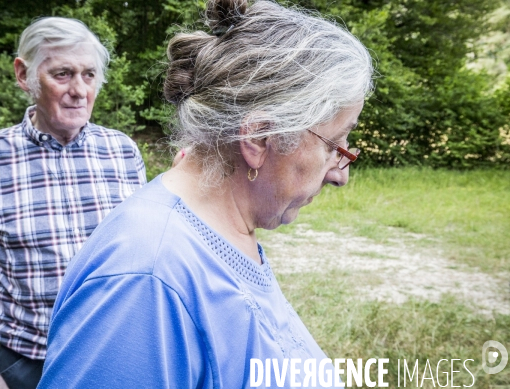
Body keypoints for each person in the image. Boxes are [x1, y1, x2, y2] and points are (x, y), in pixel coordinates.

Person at [38, 0, 373, 387]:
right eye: (334, 144)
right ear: (260, 138)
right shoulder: (147, 279)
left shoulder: (221, 232)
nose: (340, 176)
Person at [0, 17, 147, 389]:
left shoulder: (122, 152)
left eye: (90, 75)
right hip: (28, 368)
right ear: (24, 75)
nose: (79, 90)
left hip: (118, 359)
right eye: (63, 74)